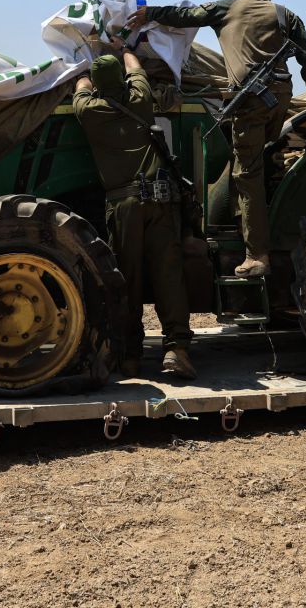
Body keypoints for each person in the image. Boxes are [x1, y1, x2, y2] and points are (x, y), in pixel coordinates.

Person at [126, 0, 306, 278]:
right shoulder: (287, 16)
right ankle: (244, 219)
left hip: (251, 102)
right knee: (253, 157)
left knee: (247, 173)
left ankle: (257, 254)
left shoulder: (229, 8)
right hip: (280, 97)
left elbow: (186, 15)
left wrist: (150, 14)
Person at [73, 47, 196, 379]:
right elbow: (136, 69)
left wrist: (82, 66)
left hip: (124, 207)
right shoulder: (140, 98)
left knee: (126, 281)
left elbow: (81, 85)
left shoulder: (88, 110)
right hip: (160, 200)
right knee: (169, 276)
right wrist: (127, 48)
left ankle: (128, 357)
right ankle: (177, 350)